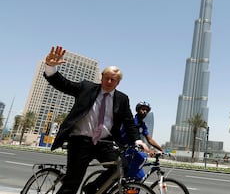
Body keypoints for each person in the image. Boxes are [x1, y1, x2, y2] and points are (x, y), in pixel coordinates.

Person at [43, 46, 150, 194]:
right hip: (80, 142)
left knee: (121, 167)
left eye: (113, 79)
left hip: (103, 143)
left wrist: (137, 140)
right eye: (107, 77)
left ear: (118, 82)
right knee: (72, 182)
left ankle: (92, 189)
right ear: (102, 77)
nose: (109, 81)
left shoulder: (122, 99)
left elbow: (129, 122)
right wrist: (50, 67)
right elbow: (64, 84)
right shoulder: (87, 88)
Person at [120, 101, 163, 180]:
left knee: (140, 178)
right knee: (143, 157)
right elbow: (134, 138)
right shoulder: (131, 121)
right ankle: (125, 179)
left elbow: (149, 139)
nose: (145, 111)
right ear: (137, 110)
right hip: (124, 149)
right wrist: (148, 150)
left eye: (147, 110)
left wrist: (161, 150)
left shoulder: (142, 125)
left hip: (132, 150)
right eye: (143, 109)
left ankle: (131, 186)